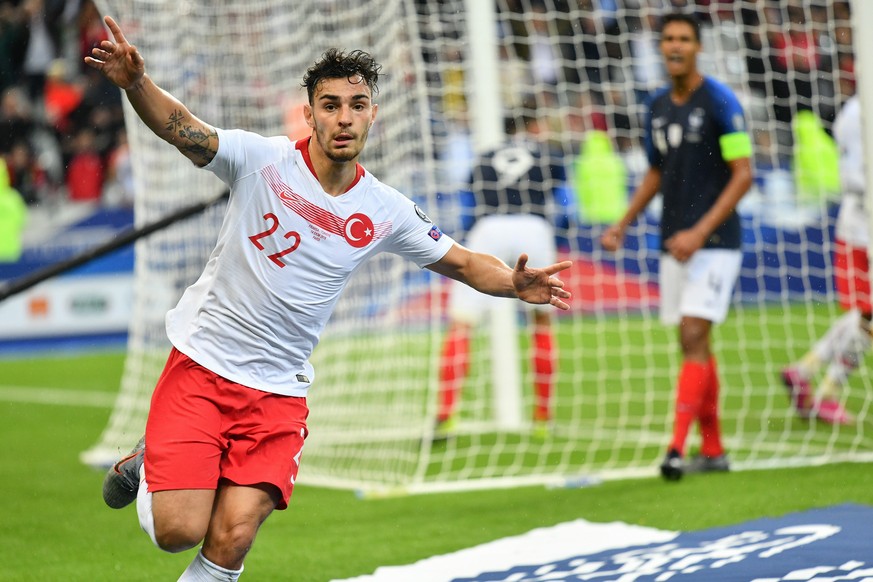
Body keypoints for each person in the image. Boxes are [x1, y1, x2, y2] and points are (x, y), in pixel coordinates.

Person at [86, 15, 571, 581]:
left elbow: (462, 261)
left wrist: (513, 284)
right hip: (204, 366)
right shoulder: (260, 160)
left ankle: (179, 469)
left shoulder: (385, 209)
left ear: (372, 113)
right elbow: (182, 127)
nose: (344, 117)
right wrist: (136, 84)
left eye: (357, 104)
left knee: (234, 534)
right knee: (179, 532)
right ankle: (151, 465)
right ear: (310, 112)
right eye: (332, 104)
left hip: (277, 393)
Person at [600, 12, 753, 482]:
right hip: (673, 240)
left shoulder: (721, 101)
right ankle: (714, 449)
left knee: (691, 335)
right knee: (695, 342)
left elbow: (744, 173)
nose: (676, 46)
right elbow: (655, 171)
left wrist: (700, 232)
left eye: (684, 38)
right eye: (668, 39)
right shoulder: (657, 105)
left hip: (715, 241)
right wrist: (623, 222)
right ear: (661, 47)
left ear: (698, 47)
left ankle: (674, 448)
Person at [435, 111, 565, 440]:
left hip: (489, 227)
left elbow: (471, 193)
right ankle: (542, 418)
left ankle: (446, 415)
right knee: (541, 323)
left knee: (462, 324)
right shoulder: (545, 154)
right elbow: (560, 191)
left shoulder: (485, 157)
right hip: (533, 226)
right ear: (530, 127)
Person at [782, 94, 867, 425]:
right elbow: (853, 177)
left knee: (866, 315)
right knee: (868, 317)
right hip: (863, 230)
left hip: (855, 227)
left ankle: (805, 371)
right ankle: (824, 389)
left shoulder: (852, 109)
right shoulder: (860, 112)